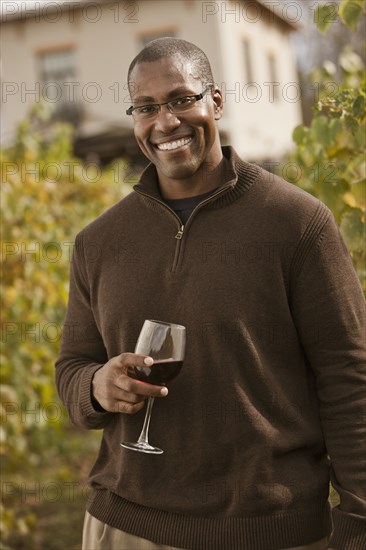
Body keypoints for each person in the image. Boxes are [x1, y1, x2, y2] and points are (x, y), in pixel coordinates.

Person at [55, 38, 366, 550]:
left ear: (215, 101)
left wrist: (357, 526)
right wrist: (95, 386)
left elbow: (350, 379)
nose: (166, 122)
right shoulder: (98, 242)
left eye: (181, 99)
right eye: (147, 107)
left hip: (269, 532)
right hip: (125, 529)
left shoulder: (298, 223)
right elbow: (72, 366)